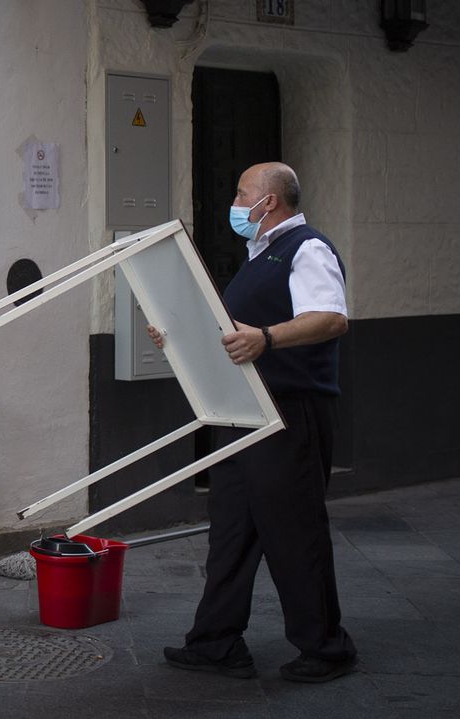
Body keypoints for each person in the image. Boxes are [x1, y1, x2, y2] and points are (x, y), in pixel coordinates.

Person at [148, 161, 356, 683]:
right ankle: (215, 642)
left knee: (295, 530)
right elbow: (232, 334)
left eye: (242, 194)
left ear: (270, 201)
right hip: (244, 412)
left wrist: (266, 338)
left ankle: (326, 648)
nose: (235, 204)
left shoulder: (307, 248)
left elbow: (331, 318)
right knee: (232, 530)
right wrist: (175, 335)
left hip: (289, 410)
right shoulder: (258, 255)